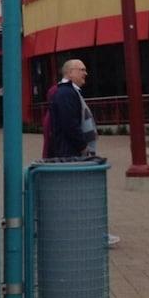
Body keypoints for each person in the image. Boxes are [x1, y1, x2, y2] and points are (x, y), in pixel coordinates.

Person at [48, 59, 120, 247]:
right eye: (82, 70)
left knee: (76, 195)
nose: (85, 73)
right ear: (70, 72)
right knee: (77, 195)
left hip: (71, 152)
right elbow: (70, 124)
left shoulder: (68, 93)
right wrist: (82, 147)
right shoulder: (66, 94)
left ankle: (85, 232)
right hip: (71, 154)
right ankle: (88, 233)